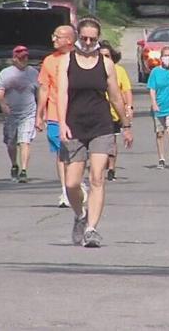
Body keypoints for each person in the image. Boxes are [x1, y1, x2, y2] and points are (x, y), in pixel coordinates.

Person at [57, 17, 133, 247]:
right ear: (77, 37)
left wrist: (126, 124)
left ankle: (91, 228)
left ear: (98, 39)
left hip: (101, 125)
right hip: (75, 125)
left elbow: (115, 96)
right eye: (84, 38)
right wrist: (62, 123)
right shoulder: (66, 61)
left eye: (92, 39)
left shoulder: (106, 64)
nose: (88, 42)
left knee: (97, 177)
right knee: (71, 183)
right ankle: (80, 215)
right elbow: (62, 94)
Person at [36, 25, 77, 208]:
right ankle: (65, 191)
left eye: (57, 36)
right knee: (62, 153)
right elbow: (44, 88)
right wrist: (39, 114)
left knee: (77, 153)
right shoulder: (49, 61)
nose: (53, 39)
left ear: (69, 39)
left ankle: (75, 183)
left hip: (77, 113)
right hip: (54, 114)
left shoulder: (80, 59)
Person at [0, 45, 39, 183]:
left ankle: (24, 170)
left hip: (28, 113)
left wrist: (41, 112)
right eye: (20, 58)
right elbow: (0, 91)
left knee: (25, 141)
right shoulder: (5, 73)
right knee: (11, 143)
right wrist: (3, 105)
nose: (23, 60)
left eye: (26, 57)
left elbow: (39, 92)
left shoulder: (33, 73)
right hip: (11, 114)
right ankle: (14, 164)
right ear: (14, 58)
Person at [99, 41, 133, 182]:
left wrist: (129, 107)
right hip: (97, 112)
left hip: (114, 113)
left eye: (107, 56)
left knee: (111, 141)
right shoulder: (93, 69)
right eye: (101, 56)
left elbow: (126, 91)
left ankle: (111, 168)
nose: (104, 59)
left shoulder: (119, 71)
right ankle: (100, 165)